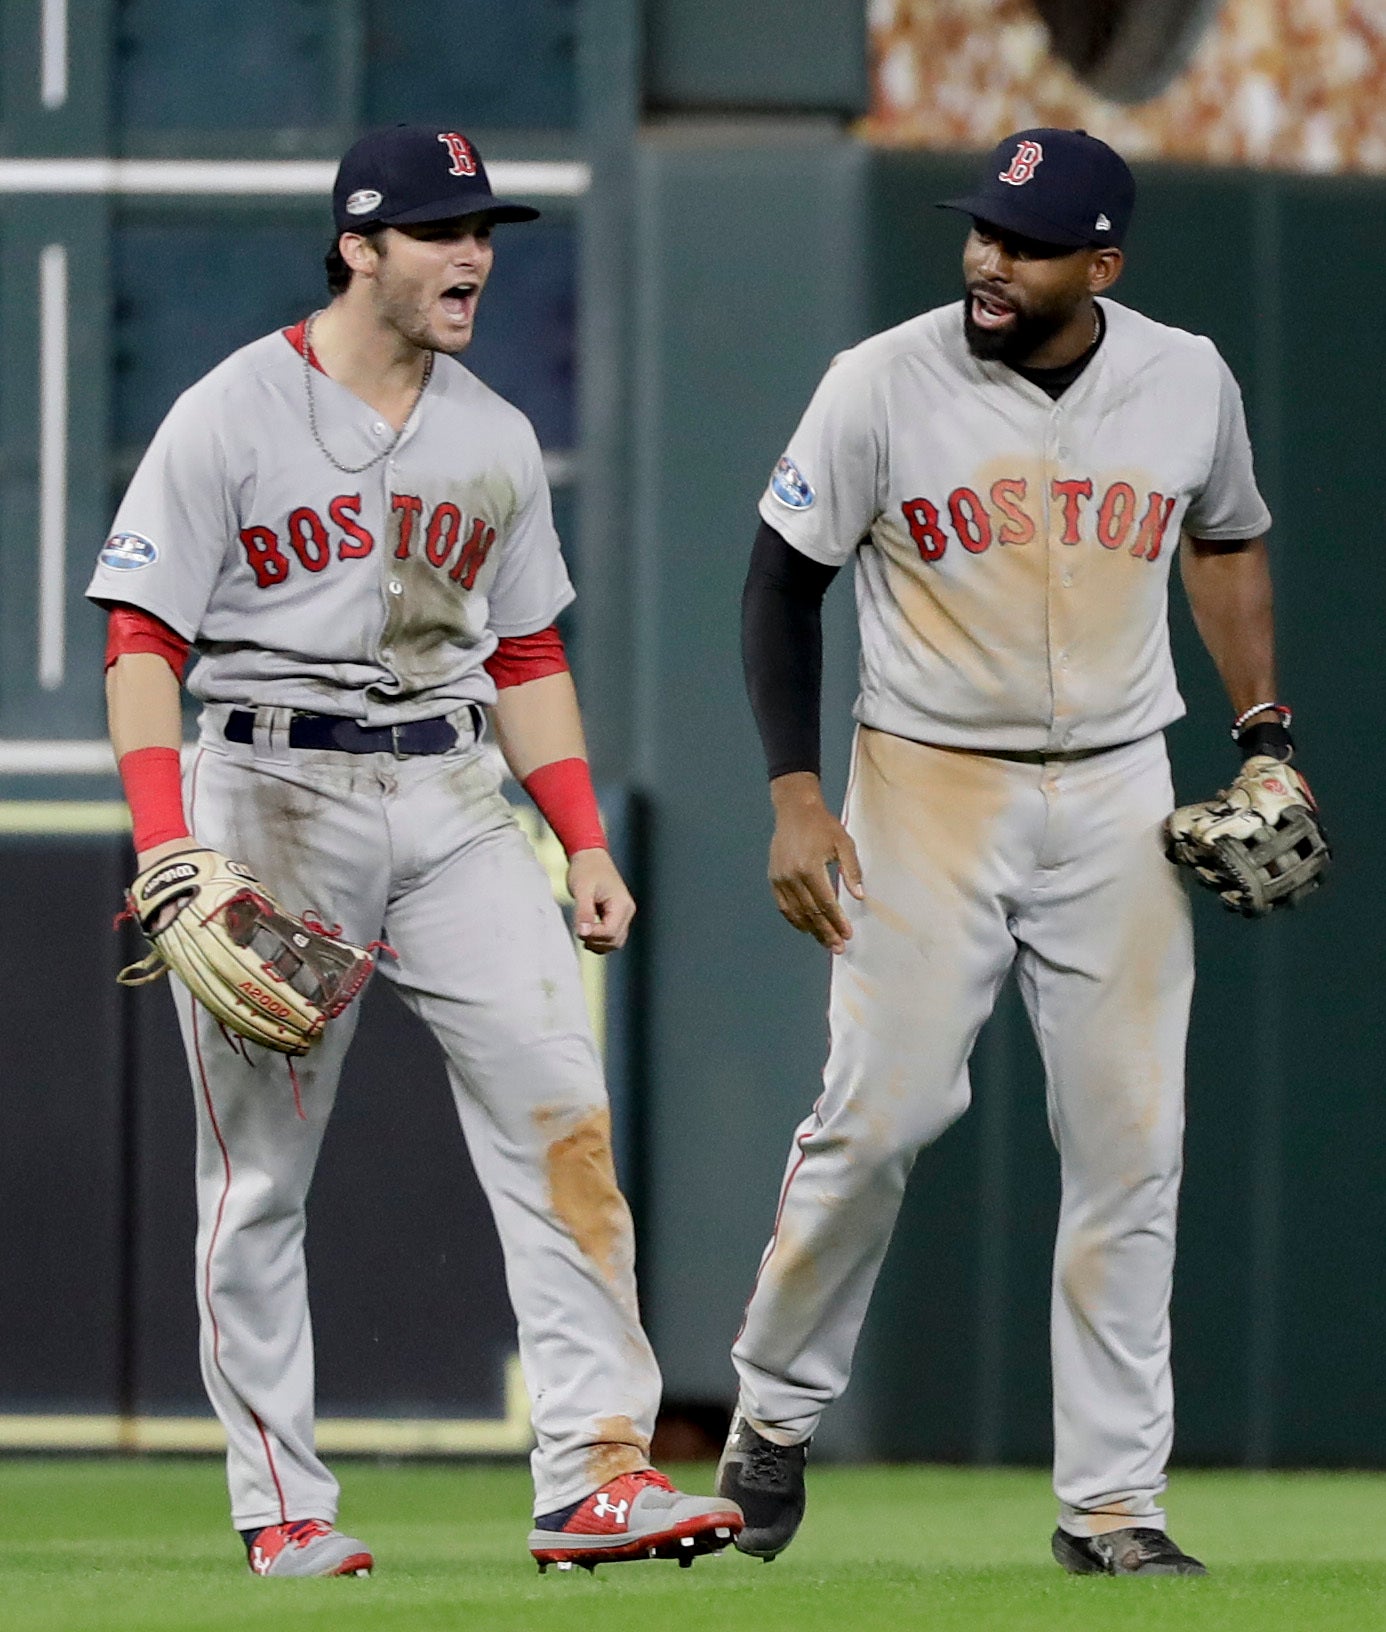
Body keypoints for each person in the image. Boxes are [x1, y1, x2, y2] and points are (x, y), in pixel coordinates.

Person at [89, 123, 741, 1579]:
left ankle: (595, 1478)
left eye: (483, 230)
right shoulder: (229, 413)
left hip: (453, 801)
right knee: (257, 1179)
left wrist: (577, 836)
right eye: (441, 230)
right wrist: (168, 844)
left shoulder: (493, 434)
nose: (472, 257)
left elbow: (521, 650)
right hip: (265, 786)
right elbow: (141, 641)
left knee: (562, 1115)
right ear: (358, 246)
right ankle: (284, 1507)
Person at [717, 127, 1304, 1576]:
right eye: (981, 230)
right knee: (879, 1119)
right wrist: (797, 792)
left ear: (1099, 265)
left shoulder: (1184, 376)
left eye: (1026, 244)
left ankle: (1111, 1506)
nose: (988, 257)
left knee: (1129, 1148)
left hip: (1113, 783)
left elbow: (1223, 540)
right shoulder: (879, 381)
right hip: (921, 779)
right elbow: (778, 583)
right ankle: (772, 1412)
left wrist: (1262, 730)